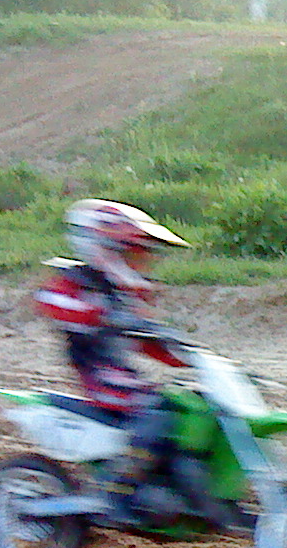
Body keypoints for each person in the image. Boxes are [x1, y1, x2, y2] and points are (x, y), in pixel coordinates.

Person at [32, 199, 195, 524]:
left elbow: (148, 343)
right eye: (135, 253)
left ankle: (177, 485)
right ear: (104, 248)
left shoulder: (122, 294)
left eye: (144, 255)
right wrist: (100, 313)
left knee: (190, 407)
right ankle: (113, 491)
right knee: (156, 414)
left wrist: (188, 356)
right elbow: (49, 301)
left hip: (126, 376)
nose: (142, 262)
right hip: (101, 377)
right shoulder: (76, 281)